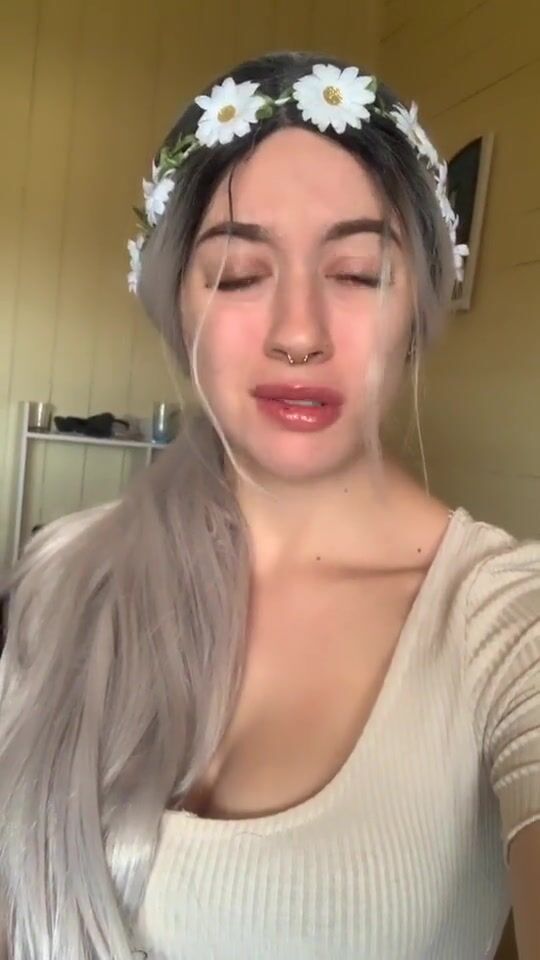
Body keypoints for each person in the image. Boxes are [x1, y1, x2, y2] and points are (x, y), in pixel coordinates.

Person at [0, 50, 538, 960]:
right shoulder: (62, 578)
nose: (298, 333)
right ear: (176, 305)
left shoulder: (508, 623)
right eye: (239, 274)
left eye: (357, 272)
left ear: (418, 307)